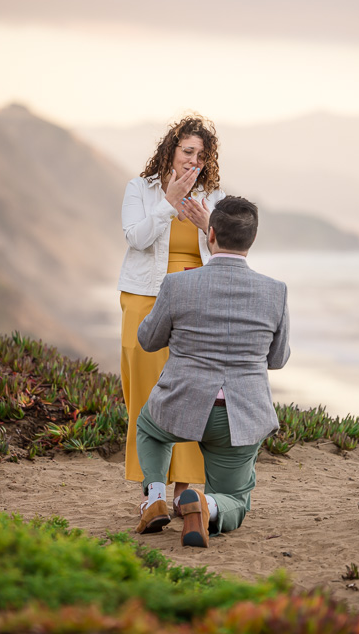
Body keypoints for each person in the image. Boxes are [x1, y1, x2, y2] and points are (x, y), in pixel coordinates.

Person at [134, 196, 290, 546]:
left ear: (211, 234)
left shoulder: (177, 285)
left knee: (150, 428)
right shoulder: (275, 292)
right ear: (251, 240)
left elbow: (147, 339)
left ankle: (156, 495)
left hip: (181, 402)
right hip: (240, 414)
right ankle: (207, 505)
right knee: (237, 499)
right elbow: (277, 359)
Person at [118, 114, 225, 509]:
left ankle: (184, 489)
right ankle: (153, 488)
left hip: (195, 301)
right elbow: (136, 238)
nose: (193, 161)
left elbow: (229, 249)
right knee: (144, 390)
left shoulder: (213, 197)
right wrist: (167, 204)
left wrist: (207, 224)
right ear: (171, 150)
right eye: (187, 151)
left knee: (191, 391)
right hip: (144, 297)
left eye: (201, 154)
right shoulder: (140, 189)